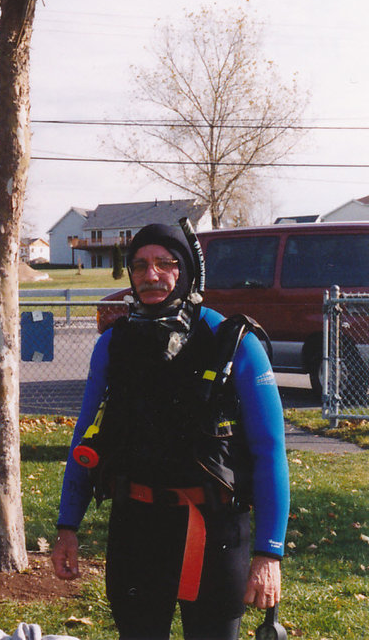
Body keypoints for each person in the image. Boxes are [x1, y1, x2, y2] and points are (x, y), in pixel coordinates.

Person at [51, 223, 290, 640]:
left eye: (166, 263)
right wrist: (67, 526)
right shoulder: (114, 343)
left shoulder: (232, 341)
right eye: (140, 265)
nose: (151, 275)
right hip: (137, 527)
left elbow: (270, 451)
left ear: (188, 273)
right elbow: (83, 438)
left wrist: (269, 553)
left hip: (215, 531)